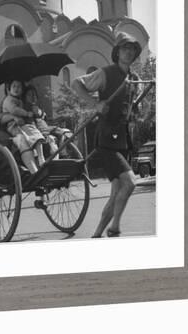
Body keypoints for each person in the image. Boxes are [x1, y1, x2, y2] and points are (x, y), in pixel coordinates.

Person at [72, 32, 141, 238]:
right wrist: (95, 103)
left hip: (123, 141)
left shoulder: (135, 79)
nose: (128, 52)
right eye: (124, 48)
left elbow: (131, 108)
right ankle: (115, 227)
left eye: (132, 49)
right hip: (106, 139)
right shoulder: (105, 73)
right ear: (117, 52)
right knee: (130, 183)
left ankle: (98, 233)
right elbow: (76, 83)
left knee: (117, 192)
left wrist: (134, 111)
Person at [23, 84, 83, 161]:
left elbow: (44, 118)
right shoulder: (25, 108)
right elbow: (32, 121)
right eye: (29, 95)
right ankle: (62, 153)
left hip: (46, 127)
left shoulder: (37, 107)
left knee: (62, 132)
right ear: (24, 97)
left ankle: (64, 151)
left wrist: (40, 113)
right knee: (55, 134)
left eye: (34, 95)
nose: (32, 97)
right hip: (39, 130)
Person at [1, 80, 45, 174]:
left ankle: (41, 162)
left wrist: (38, 112)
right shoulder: (9, 100)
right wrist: (26, 113)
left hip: (24, 125)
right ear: (9, 89)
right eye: (14, 86)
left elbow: (38, 112)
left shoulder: (21, 100)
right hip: (13, 126)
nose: (17, 89)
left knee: (36, 135)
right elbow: (14, 110)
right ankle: (34, 171)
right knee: (24, 141)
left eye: (19, 87)